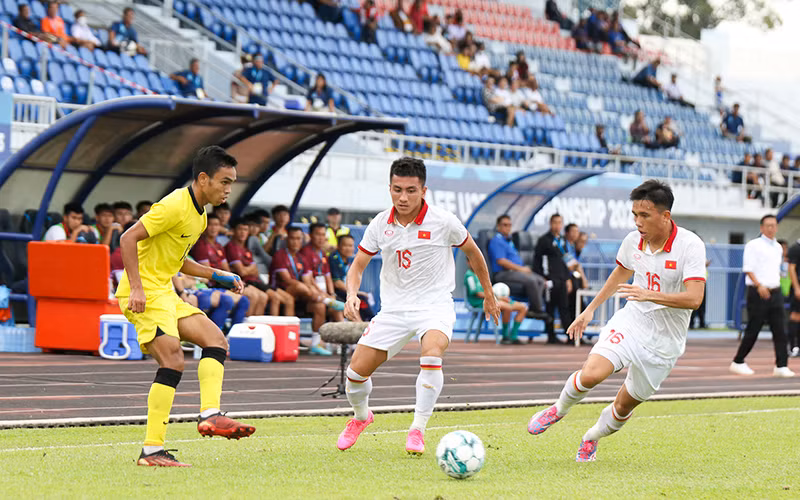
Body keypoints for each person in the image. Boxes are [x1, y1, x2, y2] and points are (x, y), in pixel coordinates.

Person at [527, 180, 707, 462]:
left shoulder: (690, 246)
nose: (637, 222)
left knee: (623, 406)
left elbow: (695, 298)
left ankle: (591, 437)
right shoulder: (632, 241)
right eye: (635, 214)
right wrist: (589, 311)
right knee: (592, 373)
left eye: (644, 215)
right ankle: (558, 409)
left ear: (665, 216)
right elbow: (620, 274)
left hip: (665, 342)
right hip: (632, 321)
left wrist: (649, 294)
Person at [335, 157, 501, 455]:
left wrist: (488, 293)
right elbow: (358, 265)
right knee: (355, 375)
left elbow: (474, 254)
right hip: (394, 311)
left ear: (424, 190)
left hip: (434, 306)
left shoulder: (444, 221)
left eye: (411, 190)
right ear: (389, 188)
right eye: (397, 189)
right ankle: (361, 418)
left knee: (432, 353)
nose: (403, 197)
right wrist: (351, 294)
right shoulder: (379, 224)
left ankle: (417, 429)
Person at [116, 146, 255, 467]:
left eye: (232, 183)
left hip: (165, 292)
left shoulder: (201, 215)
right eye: (224, 182)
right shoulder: (173, 205)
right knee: (173, 360)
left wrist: (217, 274)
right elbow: (127, 238)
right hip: (145, 294)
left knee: (216, 340)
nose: (228, 190)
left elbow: (180, 261)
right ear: (203, 179)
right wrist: (136, 287)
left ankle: (210, 415)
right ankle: (152, 451)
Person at [730, 215, 794, 377]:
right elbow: (748, 269)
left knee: (780, 330)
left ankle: (781, 365)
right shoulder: (753, 245)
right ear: (762, 228)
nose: (771, 228)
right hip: (758, 291)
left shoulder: (778, 247)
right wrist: (759, 285)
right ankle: (738, 361)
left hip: (775, 291)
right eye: (768, 225)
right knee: (754, 328)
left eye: (774, 225)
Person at [270, 227, 336, 355]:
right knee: (299, 287)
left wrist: (320, 294)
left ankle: (316, 344)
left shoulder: (301, 257)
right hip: (282, 291)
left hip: (302, 295)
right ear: (287, 239)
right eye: (293, 238)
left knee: (319, 306)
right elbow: (287, 280)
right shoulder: (280, 255)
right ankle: (321, 299)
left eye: (298, 239)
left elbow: (307, 280)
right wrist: (315, 293)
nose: (295, 242)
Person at [191, 213, 267, 318]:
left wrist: (234, 280)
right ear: (204, 226)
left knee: (262, 296)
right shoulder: (201, 246)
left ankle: (254, 327)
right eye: (211, 224)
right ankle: (246, 328)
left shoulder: (218, 246)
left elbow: (226, 269)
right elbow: (206, 272)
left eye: (216, 225)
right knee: (253, 296)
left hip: (224, 280)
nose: (214, 228)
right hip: (214, 282)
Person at [488, 215, 550, 322]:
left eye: (509, 225)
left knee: (540, 279)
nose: (508, 228)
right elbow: (501, 261)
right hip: (503, 274)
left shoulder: (509, 241)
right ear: (498, 226)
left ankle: (533, 309)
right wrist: (521, 269)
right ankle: (537, 310)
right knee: (531, 280)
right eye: (505, 225)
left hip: (515, 273)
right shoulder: (496, 241)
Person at [226, 217, 294, 317]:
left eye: (245, 230)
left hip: (256, 281)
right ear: (233, 231)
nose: (243, 232)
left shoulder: (246, 248)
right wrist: (250, 269)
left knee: (288, 299)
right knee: (270, 297)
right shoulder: (231, 247)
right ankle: (249, 326)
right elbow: (242, 272)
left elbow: (256, 270)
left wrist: (248, 269)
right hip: (246, 282)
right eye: (240, 229)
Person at [465, 259, 528, 344]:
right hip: (479, 302)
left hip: (493, 298)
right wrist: (497, 297)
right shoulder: (469, 276)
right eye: (472, 262)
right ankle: (505, 336)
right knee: (508, 307)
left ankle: (514, 336)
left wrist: (500, 297)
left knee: (522, 308)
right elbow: (478, 294)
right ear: (468, 263)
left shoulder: (482, 274)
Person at [534, 214, 574, 344]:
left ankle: (569, 337)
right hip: (550, 280)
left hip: (562, 280)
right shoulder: (544, 240)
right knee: (550, 307)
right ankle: (551, 336)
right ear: (550, 224)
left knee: (564, 308)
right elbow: (537, 261)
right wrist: (543, 278)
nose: (557, 225)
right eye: (555, 222)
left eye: (559, 222)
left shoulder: (562, 240)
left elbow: (566, 261)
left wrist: (568, 279)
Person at [300, 223, 345, 325]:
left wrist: (332, 294)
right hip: (311, 294)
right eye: (318, 234)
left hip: (325, 294)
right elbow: (309, 279)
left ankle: (341, 339)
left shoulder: (323, 253)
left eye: (323, 235)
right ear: (311, 235)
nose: (321, 238)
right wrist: (322, 293)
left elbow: (328, 276)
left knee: (337, 309)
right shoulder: (305, 252)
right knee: (320, 306)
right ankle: (317, 340)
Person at [329, 234, 374, 319]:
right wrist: (356, 292)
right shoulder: (334, 259)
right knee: (360, 298)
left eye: (351, 246)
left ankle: (367, 322)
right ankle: (362, 324)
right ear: (338, 246)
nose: (349, 248)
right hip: (338, 292)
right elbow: (337, 283)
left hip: (347, 291)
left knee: (363, 299)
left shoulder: (351, 259)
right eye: (345, 245)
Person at [787, 238, 800, 357]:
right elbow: (791, 269)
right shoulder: (796, 248)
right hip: (798, 287)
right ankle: (793, 347)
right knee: (795, 316)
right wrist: (797, 288)